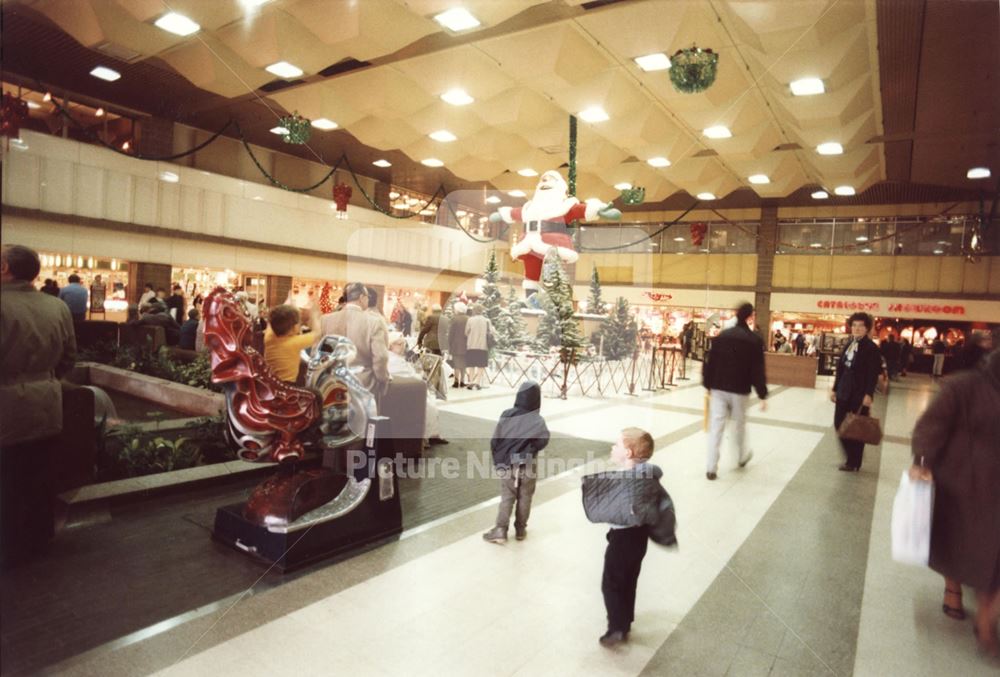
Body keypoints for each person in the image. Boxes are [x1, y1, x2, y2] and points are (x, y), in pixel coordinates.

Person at [910, 349, 1000, 657]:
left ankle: (986, 620)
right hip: (964, 482)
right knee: (960, 543)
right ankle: (954, 589)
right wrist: (922, 461)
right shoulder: (964, 386)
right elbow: (931, 424)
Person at [1, 245, 77, 567]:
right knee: (40, 473)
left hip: (7, 405)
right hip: (48, 403)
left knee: (8, 477)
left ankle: (11, 546)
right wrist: (44, 379)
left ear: (5, 268)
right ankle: (39, 537)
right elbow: (70, 357)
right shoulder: (55, 306)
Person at [594, 427, 668, 648]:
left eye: (616, 445)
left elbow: (616, 509)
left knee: (611, 582)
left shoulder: (627, 480)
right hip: (639, 538)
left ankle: (616, 628)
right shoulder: (647, 476)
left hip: (622, 537)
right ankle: (625, 620)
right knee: (629, 579)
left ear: (628, 453)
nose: (612, 447)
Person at [702, 302, 768, 480]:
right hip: (740, 390)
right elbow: (757, 370)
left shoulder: (723, 336)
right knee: (739, 426)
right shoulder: (754, 340)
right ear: (750, 317)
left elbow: (710, 361)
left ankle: (711, 467)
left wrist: (707, 384)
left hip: (718, 388)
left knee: (716, 427)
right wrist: (762, 394)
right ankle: (740, 458)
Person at [482, 381, 549, 544]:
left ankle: (500, 530)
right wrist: (531, 448)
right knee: (525, 496)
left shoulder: (507, 414)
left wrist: (498, 460)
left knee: (507, 496)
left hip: (507, 463)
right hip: (527, 464)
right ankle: (520, 529)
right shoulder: (537, 420)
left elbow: (495, 440)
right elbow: (543, 440)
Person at [319, 282, 390, 399]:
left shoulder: (326, 320)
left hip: (333, 383)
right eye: (367, 298)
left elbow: (321, 355)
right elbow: (381, 357)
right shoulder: (373, 322)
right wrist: (383, 379)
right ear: (362, 298)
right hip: (363, 384)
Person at [830, 312, 881, 472]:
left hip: (859, 394)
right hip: (844, 391)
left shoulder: (871, 348)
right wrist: (834, 389)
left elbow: (873, 373)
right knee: (840, 424)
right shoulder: (848, 344)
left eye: (861, 326)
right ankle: (851, 456)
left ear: (867, 328)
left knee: (857, 427)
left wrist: (869, 394)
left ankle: (854, 462)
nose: (857, 328)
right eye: (854, 325)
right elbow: (841, 369)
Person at [387, 331, 446, 445]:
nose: (402, 346)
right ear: (391, 346)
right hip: (405, 392)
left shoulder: (395, 357)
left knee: (430, 403)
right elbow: (407, 376)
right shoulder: (393, 360)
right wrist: (420, 378)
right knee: (428, 406)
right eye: (398, 344)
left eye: (403, 343)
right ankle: (426, 436)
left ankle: (431, 434)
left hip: (406, 389)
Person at [263, 304, 318, 383]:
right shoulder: (294, 343)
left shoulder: (269, 338)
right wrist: (314, 315)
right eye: (300, 322)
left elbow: (273, 320)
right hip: (287, 387)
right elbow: (318, 334)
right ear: (295, 327)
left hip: (270, 384)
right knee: (315, 393)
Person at [464, 304, 495, 390]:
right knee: (481, 365)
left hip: (471, 345)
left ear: (474, 311)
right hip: (483, 346)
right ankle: (477, 383)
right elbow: (492, 332)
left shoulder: (470, 320)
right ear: (482, 311)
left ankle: (471, 382)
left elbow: (466, 332)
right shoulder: (487, 321)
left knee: (471, 364)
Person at [447, 301, 469, 388]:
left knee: (456, 364)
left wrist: (448, 343)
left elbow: (451, 333)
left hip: (456, 345)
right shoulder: (468, 318)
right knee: (463, 364)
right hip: (466, 344)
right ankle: (463, 381)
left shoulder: (454, 319)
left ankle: (456, 382)